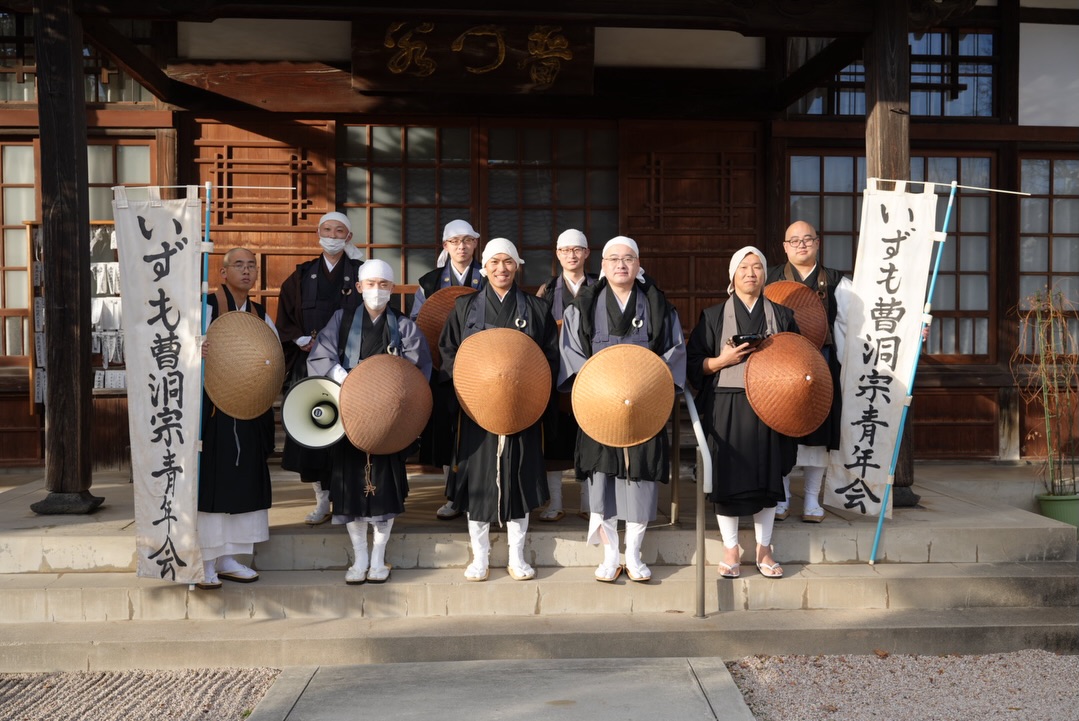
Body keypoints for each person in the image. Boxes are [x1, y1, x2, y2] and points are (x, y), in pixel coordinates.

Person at [558, 236, 686, 583]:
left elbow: (673, 352)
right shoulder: (583, 306)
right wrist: (597, 390)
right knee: (602, 481)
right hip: (599, 409)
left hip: (644, 408)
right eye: (613, 258)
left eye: (628, 258)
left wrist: (647, 387)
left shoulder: (658, 305)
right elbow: (572, 353)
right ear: (602, 265)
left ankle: (635, 553)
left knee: (641, 481)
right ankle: (610, 555)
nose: (621, 264)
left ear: (638, 264)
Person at [439, 238, 559, 582]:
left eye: (508, 262)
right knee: (478, 484)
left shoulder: (536, 309)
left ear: (517, 266)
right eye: (494, 262)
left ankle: (517, 556)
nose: (501, 269)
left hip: (521, 409)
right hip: (477, 411)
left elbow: (549, 358)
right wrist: (471, 386)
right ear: (484, 267)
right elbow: (449, 352)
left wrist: (528, 389)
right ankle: (480, 557)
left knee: (518, 479)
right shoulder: (465, 307)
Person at [307, 259, 432, 584]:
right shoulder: (342, 319)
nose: (377, 290)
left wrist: (388, 387)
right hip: (350, 412)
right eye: (371, 284)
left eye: (384, 285)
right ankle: (360, 556)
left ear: (392, 288)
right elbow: (322, 355)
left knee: (384, 492)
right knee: (350, 491)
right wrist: (347, 378)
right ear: (360, 287)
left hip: (390, 420)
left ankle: (378, 558)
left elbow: (418, 370)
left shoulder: (403, 325)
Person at [686, 246, 798, 580]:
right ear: (732, 276)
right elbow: (693, 364)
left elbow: (798, 358)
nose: (751, 273)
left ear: (765, 275)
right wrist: (721, 361)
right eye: (744, 267)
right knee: (727, 479)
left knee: (767, 478)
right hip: (727, 404)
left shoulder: (783, 316)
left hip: (770, 404)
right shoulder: (713, 316)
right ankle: (731, 548)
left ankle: (764, 548)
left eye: (757, 267)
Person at [276, 212, 363, 526]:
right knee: (313, 432)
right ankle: (321, 498)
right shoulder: (302, 274)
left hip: (348, 367)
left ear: (348, 237)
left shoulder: (360, 272)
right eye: (327, 229)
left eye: (339, 231)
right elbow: (285, 316)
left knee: (347, 435)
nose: (332, 235)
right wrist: (297, 338)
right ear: (318, 233)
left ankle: (345, 498)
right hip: (309, 365)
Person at [196, 247, 276, 589]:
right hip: (211, 411)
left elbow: (272, 358)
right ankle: (204, 560)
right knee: (211, 484)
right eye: (238, 265)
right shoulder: (205, 308)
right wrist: (194, 350)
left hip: (247, 410)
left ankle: (229, 557)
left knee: (243, 482)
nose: (246, 271)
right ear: (223, 272)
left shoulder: (259, 314)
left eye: (251, 266)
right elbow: (176, 348)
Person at [765, 220, 851, 523]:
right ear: (785, 247)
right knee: (780, 428)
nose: (801, 245)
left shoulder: (836, 281)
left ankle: (812, 498)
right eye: (794, 240)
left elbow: (854, 324)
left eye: (807, 239)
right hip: (778, 367)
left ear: (817, 242)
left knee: (818, 432)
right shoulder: (769, 277)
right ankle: (782, 496)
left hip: (820, 364)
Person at [410, 219, 486, 521]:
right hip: (442, 366)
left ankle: (478, 495)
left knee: (477, 431)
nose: (461, 247)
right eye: (455, 241)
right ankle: (452, 496)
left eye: (467, 240)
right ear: (445, 246)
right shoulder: (430, 282)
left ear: (475, 244)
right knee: (446, 433)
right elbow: (419, 323)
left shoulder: (488, 275)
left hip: (481, 367)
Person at [535, 229, 598, 522]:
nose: (571, 255)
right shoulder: (547, 289)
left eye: (577, 250)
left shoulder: (600, 286)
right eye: (565, 250)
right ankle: (555, 503)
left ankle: (589, 503)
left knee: (591, 436)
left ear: (586, 253)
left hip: (594, 373)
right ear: (557, 254)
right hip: (555, 372)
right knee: (556, 439)